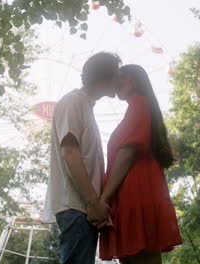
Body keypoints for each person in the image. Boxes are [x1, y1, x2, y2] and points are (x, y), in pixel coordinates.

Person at [42, 52, 122, 264]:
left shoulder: (85, 105)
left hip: (84, 208)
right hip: (76, 207)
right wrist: (93, 202)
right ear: (106, 76)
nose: (120, 80)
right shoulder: (72, 102)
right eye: (117, 74)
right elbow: (70, 154)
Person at [99, 64, 182, 264]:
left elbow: (127, 154)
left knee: (137, 257)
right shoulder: (141, 107)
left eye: (121, 77)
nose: (116, 82)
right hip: (138, 194)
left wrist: (103, 199)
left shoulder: (139, 104)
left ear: (133, 81)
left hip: (134, 195)